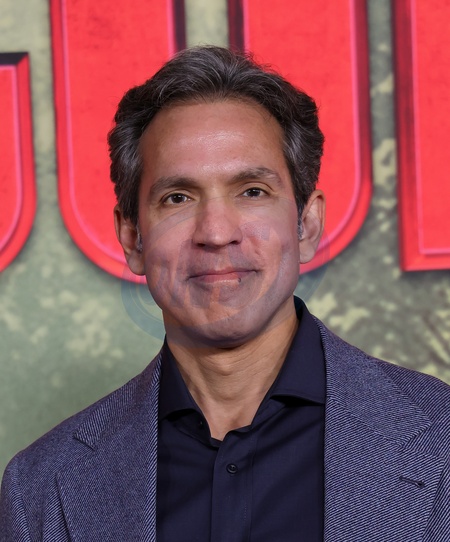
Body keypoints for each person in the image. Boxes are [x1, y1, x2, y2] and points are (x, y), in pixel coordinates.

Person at [1, 46, 449, 542]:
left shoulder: (440, 437)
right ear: (132, 238)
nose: (216, 233)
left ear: (306, 224)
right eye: (177, 198)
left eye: (252, 191)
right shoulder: (37, 489)